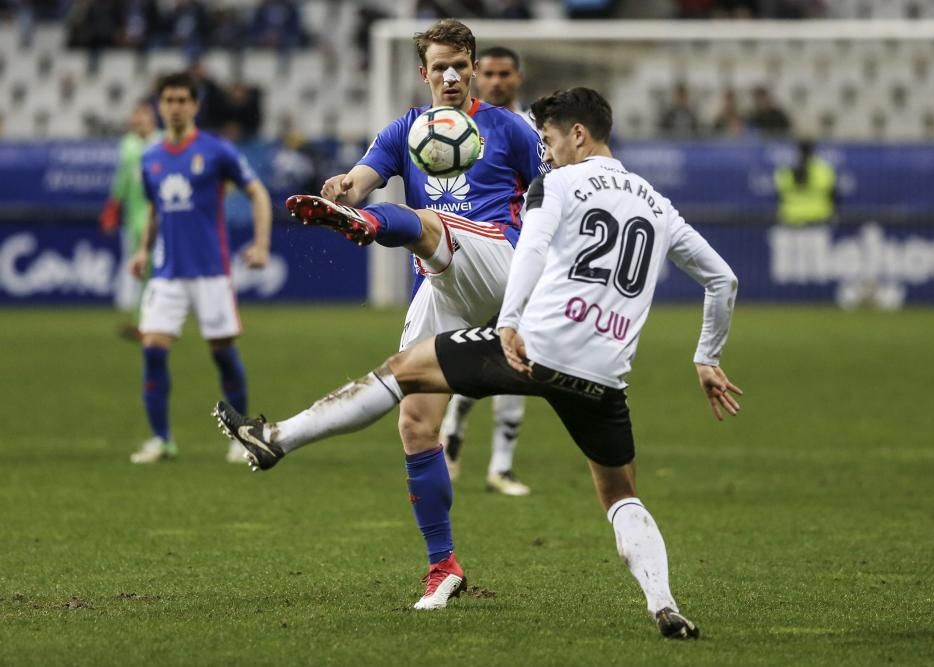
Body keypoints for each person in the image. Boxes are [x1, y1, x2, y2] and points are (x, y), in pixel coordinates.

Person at [214, 87, 741, 638]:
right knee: (621, 495)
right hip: (605, 373)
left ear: (578, 135)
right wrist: (706, 357)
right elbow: (722, 279)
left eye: (551, 139)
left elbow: (532, 249)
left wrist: (508, 322)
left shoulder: (557, 183)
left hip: (534, 350)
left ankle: (277, 439)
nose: (548, 150)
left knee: (402, 371)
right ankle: (664, 604)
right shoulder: (657, 203)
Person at [282, 19, 544, 608]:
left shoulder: (510, 129)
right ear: (423, 72)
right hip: (444, 280)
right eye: (439, 66)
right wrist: (345, 190)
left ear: (472, 66)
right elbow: (363, 176)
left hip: (499, 265)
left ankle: (374, 226)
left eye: (460, 64)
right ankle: (442, 566)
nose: (450, 76)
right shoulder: (404, 130)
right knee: (416, 423)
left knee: (425, 223)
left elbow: (549, 194)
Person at [127, 71, 272, 464]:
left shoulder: (216, 150)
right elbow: (155, 209)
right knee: (153, 350)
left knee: (222, 353)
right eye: (168, 100)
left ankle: (241, 436)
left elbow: (257, 193)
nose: (175, 107)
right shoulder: (150, 157)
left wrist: (260, 245)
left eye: (182, 100)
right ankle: (162, 440)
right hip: (168, 273)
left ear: (195, 105)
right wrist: (143, 251)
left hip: (211, 271)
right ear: (160, 105)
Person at [440, 44, 536, 496]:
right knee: (471, 355)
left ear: (518, 78)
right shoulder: (448, 126)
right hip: (465, 258)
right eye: (491, 74)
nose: (497, 81)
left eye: (505, 74)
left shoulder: (532, 130)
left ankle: (501, 465)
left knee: (516, 354)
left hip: (517, 257)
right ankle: (454, 428)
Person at [100, 101, 160, 341]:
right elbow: (123, 179)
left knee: (155, 271)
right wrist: (112, 207)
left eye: (142, 116)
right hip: (137, 219)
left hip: (164, 217)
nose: (137, 120)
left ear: (152, 118)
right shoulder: (128, 145)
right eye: (134, 116)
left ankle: (150, 321)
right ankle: (145, 322)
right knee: (147, 271)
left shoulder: (162, 142)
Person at [773, 138, 837, 226]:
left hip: (791, 218)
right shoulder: (824, 170)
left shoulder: (785, 171)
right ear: (813, 151)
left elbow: (779, 195)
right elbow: (832, 194)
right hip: (819, 217)